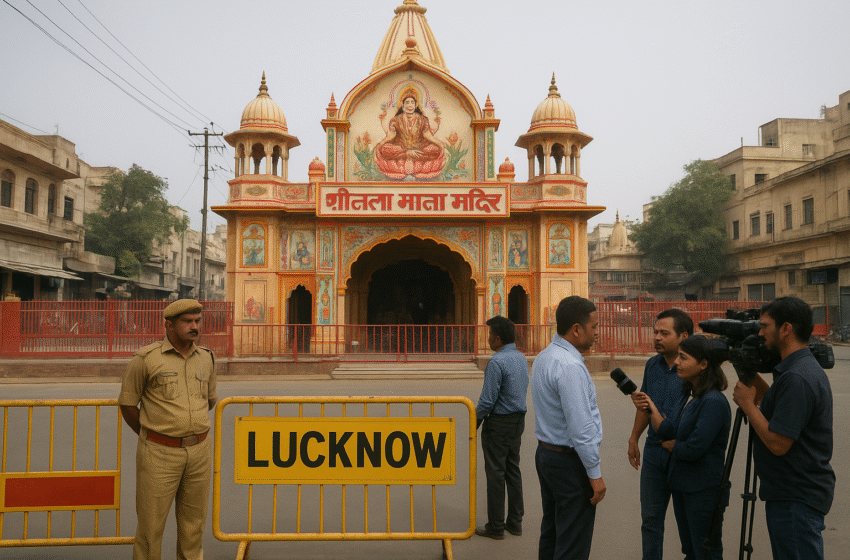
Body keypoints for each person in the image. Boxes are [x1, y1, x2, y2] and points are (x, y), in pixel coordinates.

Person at [732, 296, 834, 560]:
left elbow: (778, 443)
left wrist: (747, 405)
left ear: (786, 329)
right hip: (791, 493)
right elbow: (774, 406)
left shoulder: (797, 377)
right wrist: (746, 370)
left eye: (765, 326)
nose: (760, 332)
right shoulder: (797, 370)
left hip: (796, 497)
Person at [118, 299, 218, 560]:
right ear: (169, 325)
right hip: (159, 453)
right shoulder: (146, 359)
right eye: (187, 321)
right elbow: (128, 404)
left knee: (194, 525)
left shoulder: (206, 358)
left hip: (199, 452)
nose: (194, 326)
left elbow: (208, 400)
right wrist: (154, 434)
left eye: (197, 321)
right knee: (151, 527)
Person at [633, 335, 731, 560]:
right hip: (685, 487)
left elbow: (693, 448)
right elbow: (671, 430)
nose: (676, 362)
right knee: (691, 550)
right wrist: (650, 409)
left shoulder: (713, 402)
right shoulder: (692, 395)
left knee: (706, 551)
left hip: (703, 491)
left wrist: (673, 446)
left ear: (703, 364)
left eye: (683, 358)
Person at [531, 295, 605, 560]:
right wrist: (594, 474)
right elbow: (581, 428)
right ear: (576, 329)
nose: (597, 333)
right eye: (594, 327)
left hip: (547, 455)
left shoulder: (544, 356)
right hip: (568, 461)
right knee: (572, 540)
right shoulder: (570, 366)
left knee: (553, 530)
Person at [627, 308, 693, 559]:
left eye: (664, 333)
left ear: (683, 336)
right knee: (650, 520)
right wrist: (634, 438)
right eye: (655, 332)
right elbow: (645, 405)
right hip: (654, 453)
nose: (656, 337)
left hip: (682, 453)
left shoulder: (694, 369)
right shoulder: (653, 365)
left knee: (688, 523)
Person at [474, 316, 529, 540]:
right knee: (512, 470)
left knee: (496, 474)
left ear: (497, 338)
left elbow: (487, 401)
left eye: (489, 336)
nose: (487, 340)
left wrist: (474, 421)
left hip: (499, 424)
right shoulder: (520, 357)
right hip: (518, 420)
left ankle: (496, 526)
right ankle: (515, 522)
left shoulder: (496, 362)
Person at [375, 89, 445, 179]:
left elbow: (427, 135)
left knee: (435, 149)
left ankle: (412, 155)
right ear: (403, 105)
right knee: (385, 148)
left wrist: (439, 144)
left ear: (416, 105)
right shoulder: (395, 120)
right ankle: (408, 154)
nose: (410, 105)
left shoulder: (423, 119)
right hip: (402, 149)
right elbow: (391, 135)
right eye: (407, 102)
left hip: (419, 149)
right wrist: (381, 144)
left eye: (412, 102)